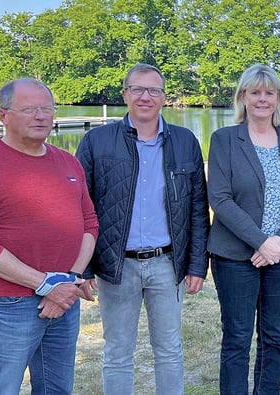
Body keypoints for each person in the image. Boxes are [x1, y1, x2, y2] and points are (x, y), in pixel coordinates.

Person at [0, 78, 99, 394]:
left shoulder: (67, 161)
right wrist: (46, 284)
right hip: (9, 303)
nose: (41, 116)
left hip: (65, 298)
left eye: (47, 108)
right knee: (0, 388)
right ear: (3, 115)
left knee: (56, 389)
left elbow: (90, 224)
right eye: (30, 109)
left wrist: (69, 280)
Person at [75, 63, 210, 395]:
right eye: (137, 89)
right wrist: (85, 266)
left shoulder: (185, 141)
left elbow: (197, 207)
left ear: (164, 97)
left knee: (169, 350)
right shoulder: (96, 141)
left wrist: (197, 265)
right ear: (125, 94)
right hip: (116, 265)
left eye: (154, 90)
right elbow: (81, 207)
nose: (145, 96)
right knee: (118, 352)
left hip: (167, 264)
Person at [207, 64, 280, 395]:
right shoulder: (224, 138)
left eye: (269, 93)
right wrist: (261, 242)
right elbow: (220, 199)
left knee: (275, 334)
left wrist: (279, 241)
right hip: (236, 256)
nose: (262, 99)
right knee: (238, 336)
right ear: (243, 97)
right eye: (255, 92)